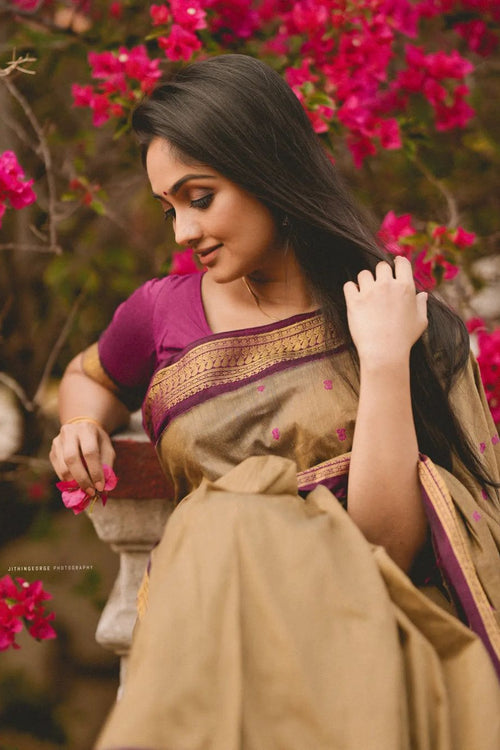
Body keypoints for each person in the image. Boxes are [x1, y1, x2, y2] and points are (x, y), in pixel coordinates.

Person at [50, 54, 500, 749]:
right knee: (231, 518)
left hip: (359, 628)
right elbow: (95, 376)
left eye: (200, 198)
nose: (183, 233)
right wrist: (80, 422)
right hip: (214, 624)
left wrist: (383, 363)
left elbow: (383, 546)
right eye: (169, 208)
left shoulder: (390, 317)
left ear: (267, 169)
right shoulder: (159, 312)